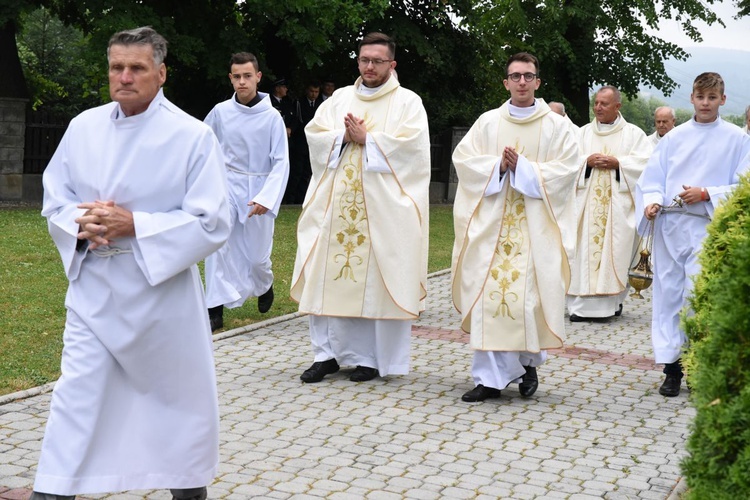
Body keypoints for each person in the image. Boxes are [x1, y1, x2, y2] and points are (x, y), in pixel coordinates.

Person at [33, 27, 230, 500]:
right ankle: (52, 490)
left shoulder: (192, 136)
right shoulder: (84, 127)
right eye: (116, 68)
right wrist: (82, 224)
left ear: (160, 73)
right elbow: (54, 200)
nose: (124, 77)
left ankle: (187, 489)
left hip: (161, 299)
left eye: (137, 68)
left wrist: (135, 225)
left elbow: (212, 221)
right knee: (76, 396)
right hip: (95, 290)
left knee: (177, 403)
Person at [291, 32, 430, 384]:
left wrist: (370, 140)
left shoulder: (408, 103)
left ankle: (370, 359)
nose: (369, 67)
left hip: (382, 212)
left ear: (392, 64)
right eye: (364, 60)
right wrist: (341, 137)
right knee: (324, 274)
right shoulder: (338, 99)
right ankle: (326, 355)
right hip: (334, 208)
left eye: (378, 61)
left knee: (374, 284)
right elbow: (315, 134)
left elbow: (414, 153)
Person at [451, 52, 579, 402]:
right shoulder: (488, 122)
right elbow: (463, 160)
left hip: (535, 231)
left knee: (527, 302)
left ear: (538, 82)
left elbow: (568, 170)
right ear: (506, 82)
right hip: (491, 228)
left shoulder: (557, 127)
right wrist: (498, 167)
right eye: (515, 76)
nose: (522, 82)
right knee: (488, 301)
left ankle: (527, 364)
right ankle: (488, 378)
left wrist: (525, 169)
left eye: (528, 76)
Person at [636, 72, 750, 397]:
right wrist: (652, 202)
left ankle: (696, 365)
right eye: (700, 97)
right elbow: (652, 178)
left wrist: (707, 194)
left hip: (707, 227)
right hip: (671, 227)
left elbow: (744, 186)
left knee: (697, 296)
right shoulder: (674, 138)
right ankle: (671, 368)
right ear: (692, 98)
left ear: (723, 100)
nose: (705, 103)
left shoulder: (738, 140)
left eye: (712, 98)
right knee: (669, 294)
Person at [203, 52, 290, 330]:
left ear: (258, 77)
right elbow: (202, 145)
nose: (242, 82)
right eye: (237, 77)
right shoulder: (220, 112)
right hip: (226, 184)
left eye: (247, 76)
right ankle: (213, 309)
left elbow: (281, 161)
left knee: (256, 257)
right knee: (217, 243)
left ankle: (264, 284)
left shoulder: (272, 117)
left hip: (259, 187)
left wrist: (267, 197)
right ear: (231, 78)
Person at [567, 86, 652, 322]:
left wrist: (619, 164)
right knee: (581, 254)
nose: (598, 108)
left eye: (604, 104)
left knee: (613, 254)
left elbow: (647, 166)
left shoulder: (634, 135)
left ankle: (611, 304)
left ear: (618, 106)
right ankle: (578, 308)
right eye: (596, 103)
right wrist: (585, 162)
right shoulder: (582, 134)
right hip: (584, 210)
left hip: (617, 210)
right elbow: (565, 164)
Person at [285, 81, 322, 204]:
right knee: (297, 172)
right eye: (311, 91)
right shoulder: (299, 103)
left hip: (313, 143)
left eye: (316, 92)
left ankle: (302, 198)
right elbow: (298, 121)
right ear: (307, 90)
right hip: (301, 141)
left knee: (307, 172)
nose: (313, 94)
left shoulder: (321, 104)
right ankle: (290, 199)